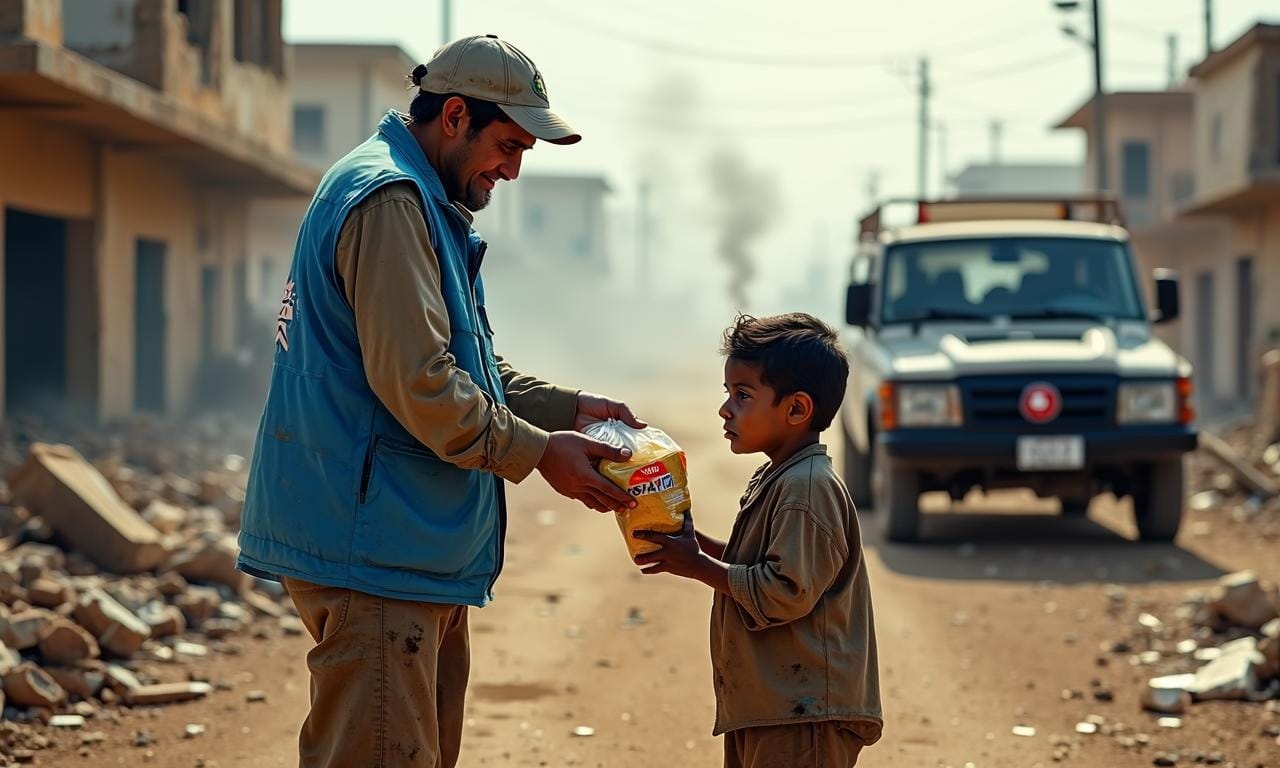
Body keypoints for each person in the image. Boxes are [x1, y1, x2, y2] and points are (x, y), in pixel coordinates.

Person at [236, 35, 643, 767]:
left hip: (401, 545)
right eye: (508, 144)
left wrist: (568, 407)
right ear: (454, 115)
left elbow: (466, 371)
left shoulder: (424, 201)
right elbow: (422, 384)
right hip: (378, 549)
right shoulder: (391, 199)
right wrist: (540, 453)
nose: (514, 171)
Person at [633, 313, 883, 767]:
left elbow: (784, 591)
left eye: (743, 396)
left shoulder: (807, 487)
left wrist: (696, 566)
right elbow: (757, 563)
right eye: (727, 394)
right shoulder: (781, 476)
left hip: (804, 716)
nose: (726, 410)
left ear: (796, 409)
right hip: (774, 705)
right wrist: (696, 544)